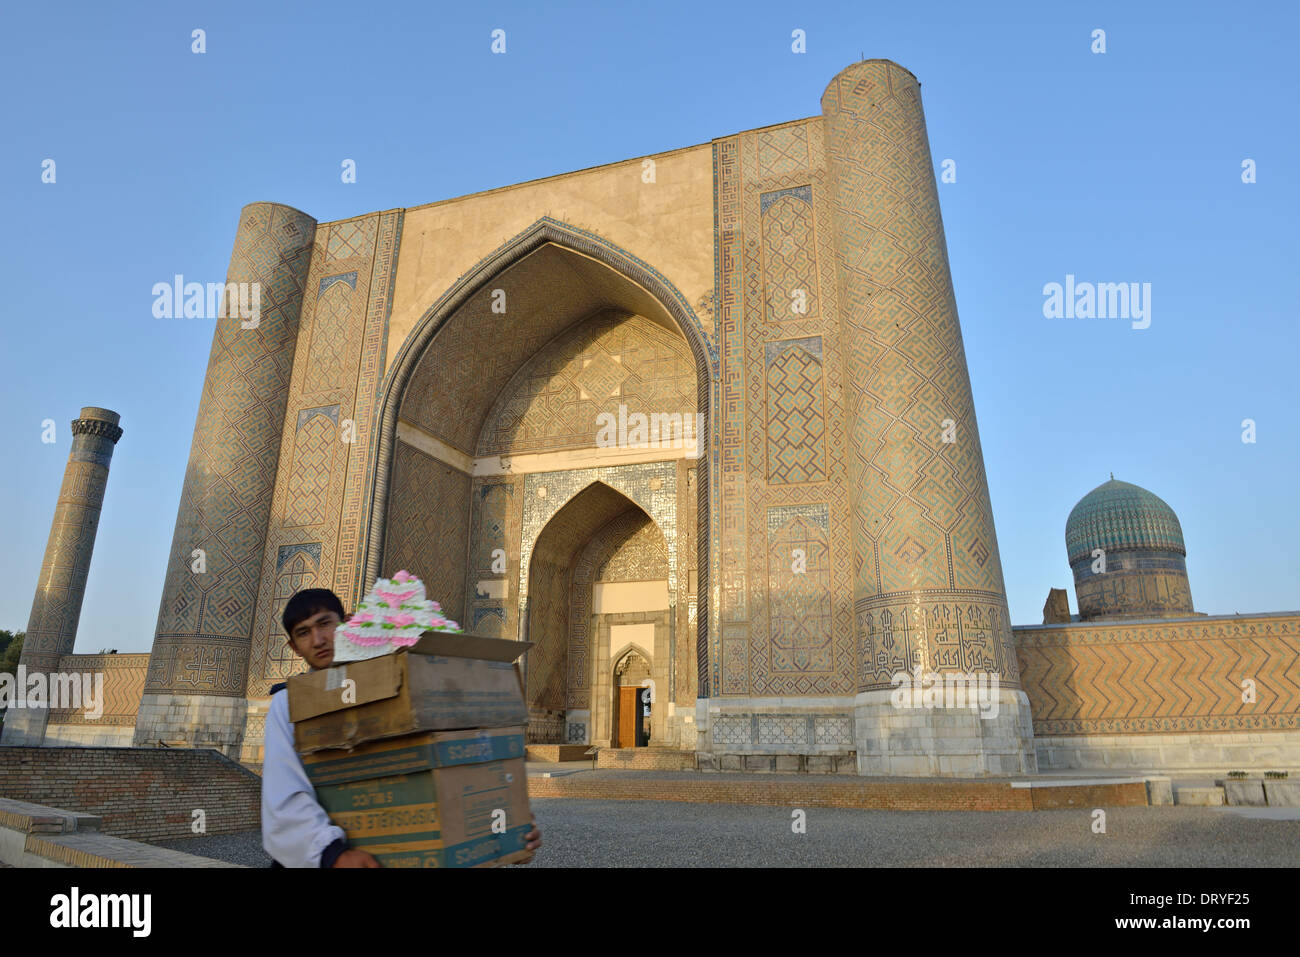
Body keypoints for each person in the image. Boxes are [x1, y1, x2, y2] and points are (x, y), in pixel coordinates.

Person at [261, 587, 542, 867]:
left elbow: (466, 761)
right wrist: (333, 856)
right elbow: (284, 797)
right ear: (294, 647)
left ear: (347, 622)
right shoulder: (288, 705)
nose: (318, 640)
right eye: (304, 632)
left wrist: (507, 825)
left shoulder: (395, 683)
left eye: (325, 624)